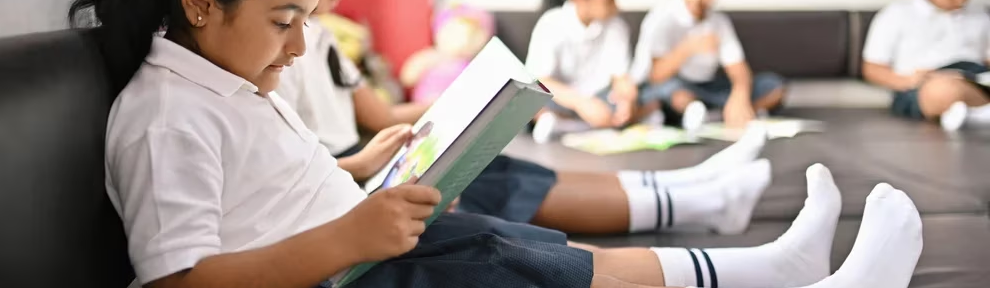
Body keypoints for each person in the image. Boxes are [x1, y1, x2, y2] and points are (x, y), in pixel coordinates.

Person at [73, 0, 924, 287]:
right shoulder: (164, 118)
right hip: (352, 270)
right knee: (541, 269)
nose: (299, 48)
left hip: (361, 244)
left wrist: (359, 168)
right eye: (283, 20)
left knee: (559, 257)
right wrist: (347, 234)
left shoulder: (228, 86)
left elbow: (252, 203)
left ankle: (776, 267)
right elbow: (183, 277)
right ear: (197, 4)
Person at [280, 3, 774, 236]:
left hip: (359, 156)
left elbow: (380, 114)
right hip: (341, 168)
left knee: (501, 164)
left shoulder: (322, 39)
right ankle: (700, 200)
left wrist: (466, 101)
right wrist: (360, 165)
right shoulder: (284, 39)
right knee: (483, 184)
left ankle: (692, 186)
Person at [629, 0, 786, 129]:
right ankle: (701, 112)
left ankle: (727, 114)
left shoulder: (718, 22)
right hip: (675, 86)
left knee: (773, 85)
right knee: (672, 91)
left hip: (709, 88)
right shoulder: (662, 18)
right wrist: (687, 49)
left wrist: (740, 94)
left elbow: (738, 68)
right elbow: (656, 75)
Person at [525, 0, 665, 143]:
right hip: (564, 98)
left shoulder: (616, 26)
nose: (616, 7)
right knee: (532, 101)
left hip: (601, 99)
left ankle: (570, 126)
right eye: (609, 1)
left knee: (647, 97)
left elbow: (620, 77)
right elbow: (541, 79)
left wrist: (626, 99)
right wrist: (581, 103)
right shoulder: (550, 23)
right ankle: (562, 123)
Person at [862, 0, 990, 131]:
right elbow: (872, 69)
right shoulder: (897, 13)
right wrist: (908, 81)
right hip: (923, 83)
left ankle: (976, 115)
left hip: (976, 77)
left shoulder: (980, 12)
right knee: (942, 90)